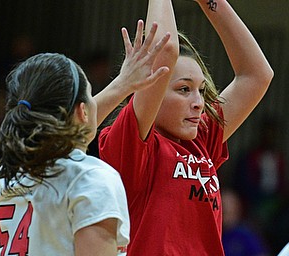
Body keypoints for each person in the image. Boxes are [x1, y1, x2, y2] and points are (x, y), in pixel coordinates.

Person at [0, 20, 171, 256]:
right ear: (82, 111)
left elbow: (72, 130)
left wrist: (123, 84)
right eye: (91, 94)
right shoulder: (90, 178)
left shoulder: (11, 177)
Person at [98, 0, 274, 255]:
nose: (199, 103)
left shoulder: (201, 139)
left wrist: (212, 3)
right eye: (184, 89)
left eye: (201, 91)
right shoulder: (129, 144)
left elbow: (257, 75)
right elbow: (165, 49)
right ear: (150, 87)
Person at [222, 188, 270, 256]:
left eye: (228, 210)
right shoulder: (214, 235)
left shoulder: (246, 235)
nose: (225, 214)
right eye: (223, 210)